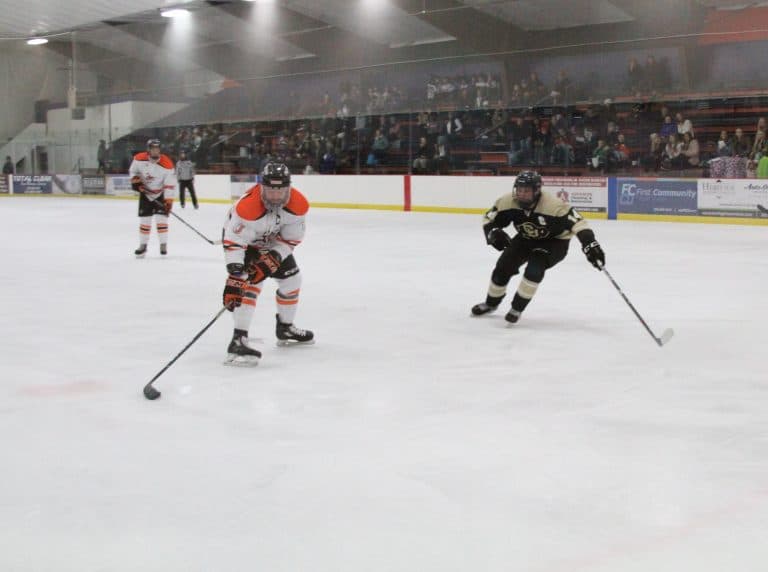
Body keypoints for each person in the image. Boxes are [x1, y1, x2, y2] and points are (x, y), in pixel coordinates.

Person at [471, 170, 605, 324]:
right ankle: (491, 303)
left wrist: (590, 244)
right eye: (519, 190)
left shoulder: (554, 206)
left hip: (554, 242)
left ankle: (517, 308)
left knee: (534, 270)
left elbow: (579, 224)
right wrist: (493, 232)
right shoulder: (507, 201)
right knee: (503, 267)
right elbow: (489, 218)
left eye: (526, 191)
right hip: (525, 238)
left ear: (537, 191)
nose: (521, 194)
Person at [221, 162, 314, 366]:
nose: (275, 195)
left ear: (288, 188)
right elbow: (234, 242)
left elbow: (291, 239)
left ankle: (285, 328)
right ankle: (238, 339)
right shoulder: (246, 207)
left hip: (274, 243)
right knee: (250, 285)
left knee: (292, 281)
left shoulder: (298, 205)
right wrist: (236, 276)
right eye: (271, 189)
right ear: (261, 187)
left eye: (280, 189)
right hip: (246, 245)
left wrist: (275, 257)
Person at [129, 139, 176, 257]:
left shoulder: (167, 164)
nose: (156, 151)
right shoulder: (139, 159)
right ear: (148, 149)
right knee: (145, 221)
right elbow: (133, 171)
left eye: (157, 149)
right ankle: (143, 245)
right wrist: (136, 182)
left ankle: (163, 244)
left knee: (161, 220)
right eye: (153, 148)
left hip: (160, 194)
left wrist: (168, 201)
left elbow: (169, 185)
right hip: (145, 194)